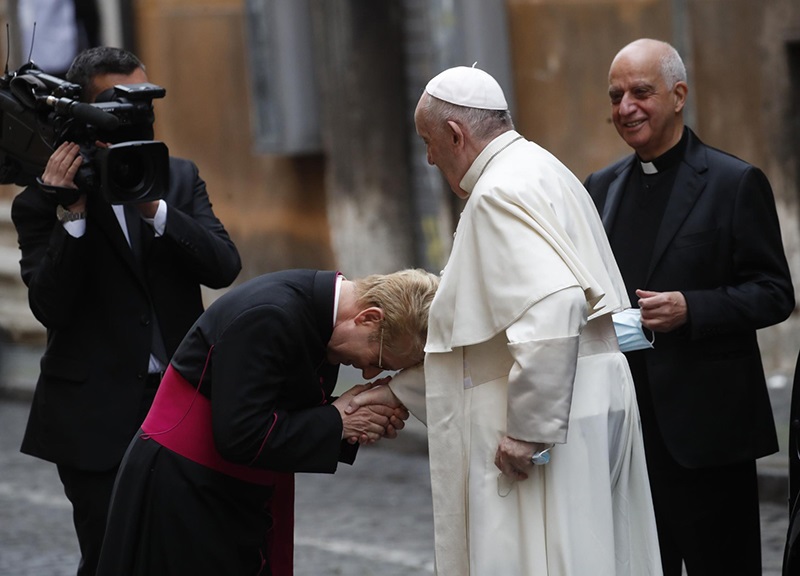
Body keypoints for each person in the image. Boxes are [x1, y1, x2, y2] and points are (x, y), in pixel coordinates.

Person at [349, 65, 663, 575]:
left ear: (455, 134)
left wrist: (529, 430)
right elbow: (488, 345)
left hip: (551, 424)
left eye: (429, 143)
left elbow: (554, 305)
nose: (429, 157)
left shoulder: (496, 193)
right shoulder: (541, 167)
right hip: (586, 398)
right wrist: (397, 393)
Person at [11, 46, 241, 576]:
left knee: (194, 554)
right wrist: (71, 213)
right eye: (120, 107)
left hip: (182, 405)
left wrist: (154, 207)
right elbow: (51, 308)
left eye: (143, 103)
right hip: (95, 420)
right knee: (114, 558)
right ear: (82, 115)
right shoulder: (40, 202)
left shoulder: (176, 177)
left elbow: (224, 266)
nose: (136, 118)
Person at [583, 38, 795, 576]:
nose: (625, 107)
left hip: (709, 436)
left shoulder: (734, 183)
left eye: (640, 92)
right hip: (626, 433)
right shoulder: (600, 189)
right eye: (615, 96)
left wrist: (692, 308)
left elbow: (775, 292)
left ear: (678, 95)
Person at [94, 267, 439, 576]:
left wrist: (354, 416)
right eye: (379, 360)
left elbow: (275, 403)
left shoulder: (319, 314)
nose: (368, 372)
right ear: (368, 318)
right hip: (182, 491)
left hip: (223, 488)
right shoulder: (270, 315)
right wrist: (339, 421)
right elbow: (241, 434)